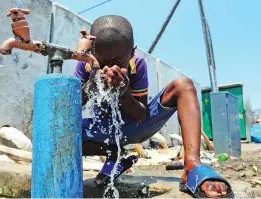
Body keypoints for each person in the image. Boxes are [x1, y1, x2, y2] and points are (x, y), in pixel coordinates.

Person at [74, 15, 234, 198]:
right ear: (92, 52)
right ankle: (114, 153)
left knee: (183, 85)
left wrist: (123, 93)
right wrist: (91, 85)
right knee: (56, 134)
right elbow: (72, 108)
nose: (110, 69)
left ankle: (192, 164)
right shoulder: (86, 66)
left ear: (132, 53)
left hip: (137, 126)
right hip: (101, 131)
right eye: (102, 63)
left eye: (118, 63)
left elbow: (140, 114)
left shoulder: (137, 65)